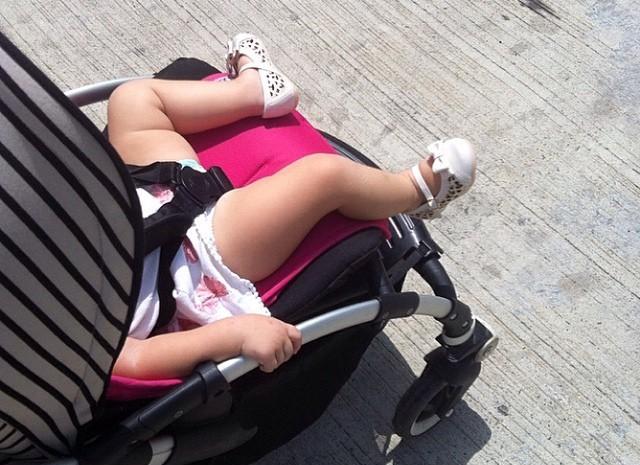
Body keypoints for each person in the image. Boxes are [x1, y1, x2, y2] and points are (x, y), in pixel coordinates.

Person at [109, 33, 477, 379]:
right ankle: (412, 193)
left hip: (140, 194)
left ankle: (252, 91)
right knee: (324, 177)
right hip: (187, 259)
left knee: (132, 99)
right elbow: (131, 360)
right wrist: (232, 337)